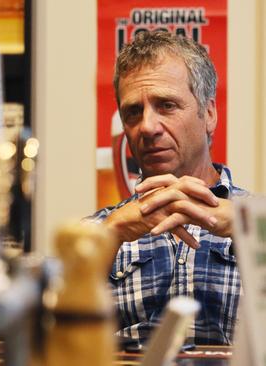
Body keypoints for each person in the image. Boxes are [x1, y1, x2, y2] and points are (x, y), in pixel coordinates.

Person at [90, 30, 247, 345]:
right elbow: (50, 341)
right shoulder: (96, 232)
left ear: (210, 114)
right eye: (133, 112)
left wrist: (252, 231)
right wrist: (109, 236)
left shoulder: (256, 218)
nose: (146, 127)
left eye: (166, 105)